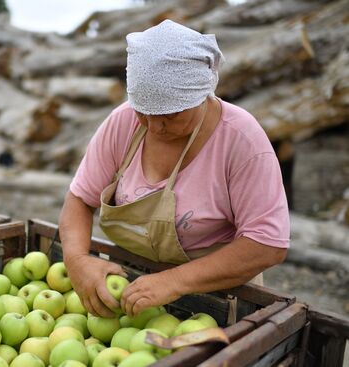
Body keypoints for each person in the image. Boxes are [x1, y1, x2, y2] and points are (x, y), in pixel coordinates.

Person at [59, 20, 290, 319]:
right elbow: (79, 199)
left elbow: (268, 243)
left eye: (171, 114)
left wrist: (175, 281)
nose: (155, 126)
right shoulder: (123, 122)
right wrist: (77, 260)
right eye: (144, 111)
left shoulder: (241, 140)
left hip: (218, 298)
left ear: (202, 94)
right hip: (130, 292)